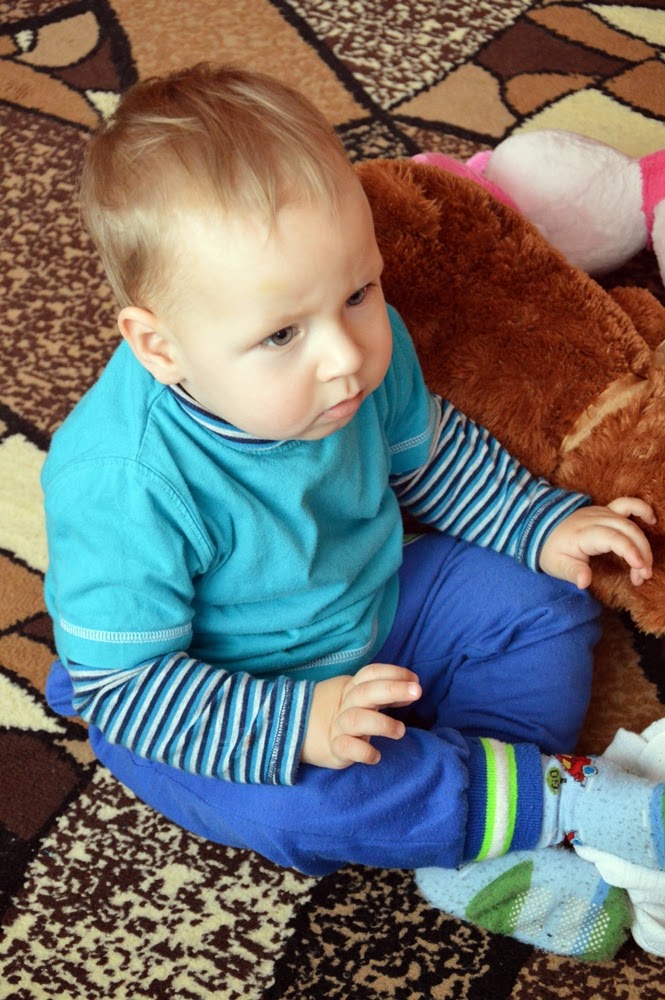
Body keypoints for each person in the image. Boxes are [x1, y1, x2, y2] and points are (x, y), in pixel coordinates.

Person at [43, 63, 664, 962]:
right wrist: (299, 724)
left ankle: (480, 828)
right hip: (214, 701)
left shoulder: (359, 343)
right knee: (298, 808)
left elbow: (432, 458)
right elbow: (129, 690)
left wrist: (538, 523)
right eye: (281, 334)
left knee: (543, 595)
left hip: (370, 605)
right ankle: (556, 803)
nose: (345, 355)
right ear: (160, 346)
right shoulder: (121, 480)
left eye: (358, 292)